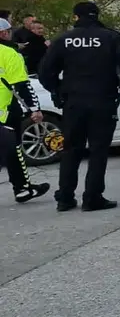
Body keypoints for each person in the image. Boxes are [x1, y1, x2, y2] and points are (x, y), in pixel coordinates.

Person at [38, 1, 120, 212]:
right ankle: (92, 197)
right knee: (98, 150)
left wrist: (58, 90)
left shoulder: (63, 40)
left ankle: (65, 197)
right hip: (103, 101)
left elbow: (45, 72)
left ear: (76, 17)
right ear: (96, 15)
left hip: (73, 103)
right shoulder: (110, 37)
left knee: (71, 150)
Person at [0, 19, 50, 203]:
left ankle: (23, 188)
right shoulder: (9, 54)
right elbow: (22, 85)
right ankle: (22, 188)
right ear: (4, 33)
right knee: (13, 149)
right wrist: (34, 109)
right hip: (4, 113)